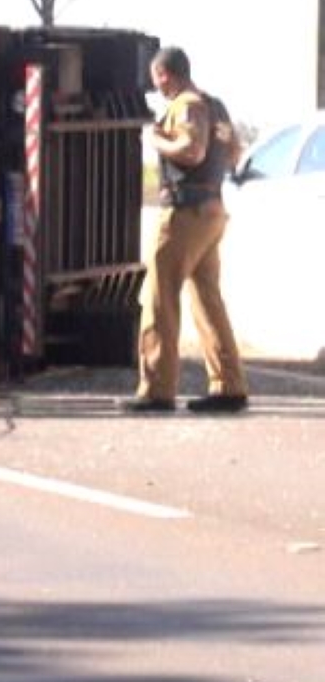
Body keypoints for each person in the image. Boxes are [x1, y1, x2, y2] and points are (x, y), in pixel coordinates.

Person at [121, 45, 248, 414]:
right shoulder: (216, 105)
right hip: (212, 211)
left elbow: (192, 150)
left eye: (156, 78)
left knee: (160, 298)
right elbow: (234, 151)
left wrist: (156, 139)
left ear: (165, 74)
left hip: (184, 213)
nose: (156, 85)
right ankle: (228, 384)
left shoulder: (186, 105)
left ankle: (157, 389)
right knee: (207, 298)